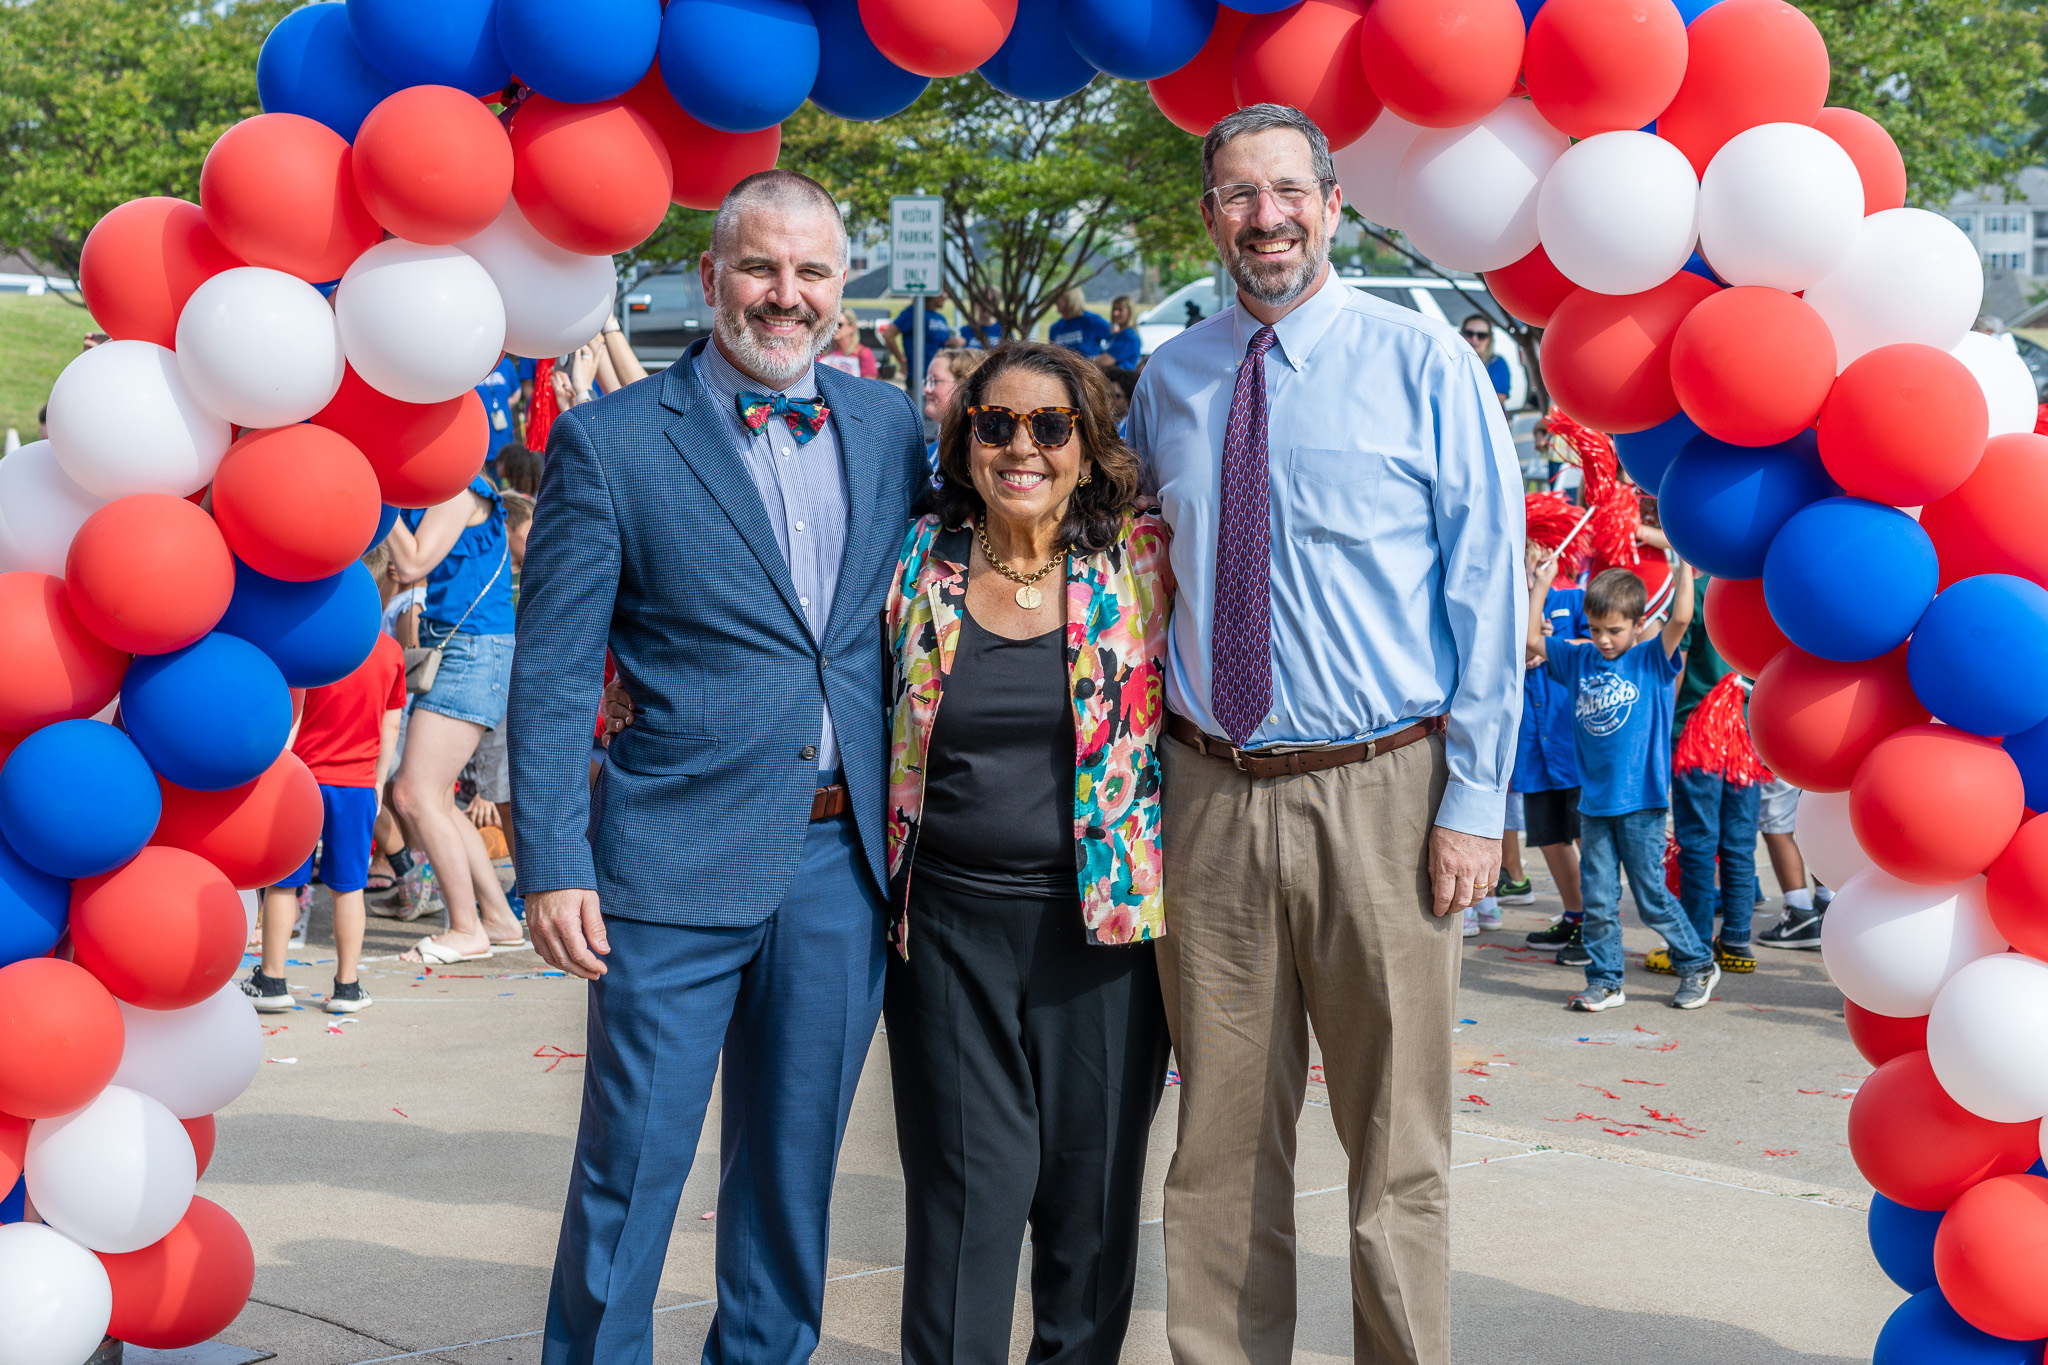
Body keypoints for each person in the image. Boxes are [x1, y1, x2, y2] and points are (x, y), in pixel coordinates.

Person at [506, 169, 928, 1365]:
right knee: (629, 1175)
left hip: (839, 870)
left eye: (810, 272)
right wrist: (551, 860)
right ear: (709, 278)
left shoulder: (890, 427)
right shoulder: (609, 443)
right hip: (666, 864)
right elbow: (551, 674)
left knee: (791, 1187)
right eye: (759, 267)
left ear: (844, 287)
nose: (783, 296)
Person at [1127, 104, 1524, 1365]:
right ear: (1209, 217)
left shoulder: (1423, 367)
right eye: (1238, 195)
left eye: (1286, 190)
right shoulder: (1168, 380)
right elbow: (1133, 582)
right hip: (1208, 794)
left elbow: (1486, 588)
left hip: (1384, 797)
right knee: (1220, 1145)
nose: (1265, 218)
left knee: (1394, 1147)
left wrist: (1474, 800)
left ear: (1332, 202)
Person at [882, 342, 1173, 1363]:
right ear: (962, 438)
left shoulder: (1142, 560)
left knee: (1089, 1214)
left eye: (1050, 428)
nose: (1020, 447)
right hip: (948, 928)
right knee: (963, 1202)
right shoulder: (915, 560)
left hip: (1101, 934)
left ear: (1088, 449)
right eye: (993, 423)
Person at [1527, 559, 1719, 1013]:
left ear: (1636, 625)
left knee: (1651, 898)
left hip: (1641, 805)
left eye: (1613, 630)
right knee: (1597, 900)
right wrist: (1541, 585)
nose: (1603, 640)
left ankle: (1696, 963)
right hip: (1594, 806)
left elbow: (1682, 618)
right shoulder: (1577, 658)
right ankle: (1606, 980)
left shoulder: (1651, 659)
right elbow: (1532, 638)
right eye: (1595, 629)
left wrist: (1682, 571)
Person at [242, 549, 408, 1016]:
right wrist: (376, 785)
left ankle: (273, 978)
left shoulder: (312, 647)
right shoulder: (390, 652)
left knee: (282, 885)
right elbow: (391, 727)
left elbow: (291, 722)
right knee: (349, 887)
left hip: (303, 781)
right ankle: (347, 986)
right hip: (356, 785)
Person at [385, 474, 527, 963]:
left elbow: (412, 563)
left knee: (413, 794)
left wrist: (371, 498)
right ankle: (498, 918)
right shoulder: (435, 488)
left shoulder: (457, 488)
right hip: (462, 648)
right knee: (438, 799)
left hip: (471, 651)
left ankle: (466, 929)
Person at [1657, 570, 1761, 977]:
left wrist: (1666, 731)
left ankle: (1696, 942)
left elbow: (1676, 669)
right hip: (1748, 734)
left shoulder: (1698, 592)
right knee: (1739, 841)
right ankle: (1736, 939)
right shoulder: (1761, 592)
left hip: (1696, 734)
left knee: (1698, 844)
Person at [1517, 543, 1590, 963]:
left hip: (1572, 740)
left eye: (1542, 551)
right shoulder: (1506, 602)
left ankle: (1598, 924)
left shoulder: (1574, 599)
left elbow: (1606, 642)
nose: (1534, 560)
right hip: (1532, 744)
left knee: (1585, 837)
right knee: (1549, 837)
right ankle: (1576, 916)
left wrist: (1553, 642)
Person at [1756, 780, 1831, 947]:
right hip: (1821, 758)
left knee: (1776, 826)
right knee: (1816, 817)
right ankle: (1827, 902)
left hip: (1785, 759)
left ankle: (1800, 913)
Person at [921, 346, 985, 477]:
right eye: (926, 382)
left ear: (964, 385)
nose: (926, 390)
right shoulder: (936, 448)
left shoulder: (973, 453)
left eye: (934, 381)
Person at [884, 297, 953, 377]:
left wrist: (955, 342)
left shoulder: (940, 317)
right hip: (918, 374)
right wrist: (902, 360)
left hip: (939, 373)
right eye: (943, 292)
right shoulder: (913, 312)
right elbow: (888, 335)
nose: (946, 296)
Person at [1461, 313, 1512, 410]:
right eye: (1469, 333)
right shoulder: (1452, 363)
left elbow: (1496, 402)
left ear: (1489, 339)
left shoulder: (1496, 363)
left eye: (1481, 335)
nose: (1474, 339)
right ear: (1461, 334)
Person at [1048, 286, 1112, 359]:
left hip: (1086, 369)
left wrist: (1102, 360)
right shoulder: (1055, 328)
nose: (1055, 300)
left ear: (1071, 298)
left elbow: (1117, 338)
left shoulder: (1092, 321)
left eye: (1059, 296)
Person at [819, 307, 879, 378]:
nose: (834, 328)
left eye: (839, 325)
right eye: (831, 324)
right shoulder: (821, 353)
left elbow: (870, 386)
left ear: (852, 327)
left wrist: (842, 377)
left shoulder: (863, 353)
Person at [1104, 294, 1142, 370]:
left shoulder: (1128, 336)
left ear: (1130, 312)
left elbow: (1105, 361)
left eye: (1120, 310)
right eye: (1114, 309)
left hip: (1121, 379)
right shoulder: (1118, 334)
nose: (1115, 313)